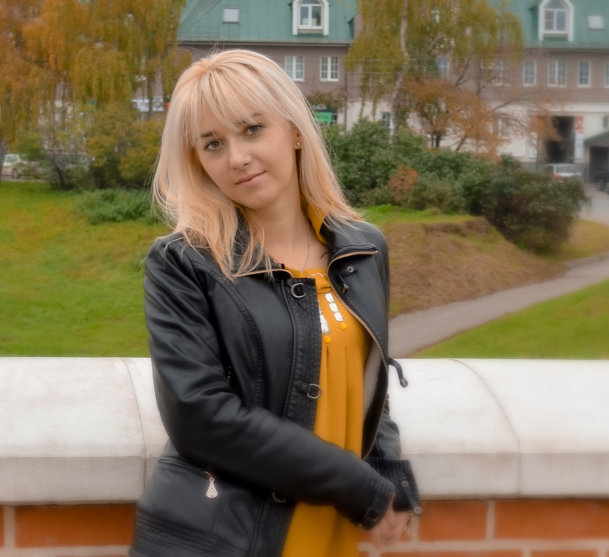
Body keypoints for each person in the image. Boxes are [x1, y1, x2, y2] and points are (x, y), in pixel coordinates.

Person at [128, 49, 421, 557]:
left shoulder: (362, 248)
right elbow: (200, 417)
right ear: (198, 160)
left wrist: (389, 469)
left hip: (329, 534)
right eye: (213, 144)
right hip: (222, 541)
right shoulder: (186, 262)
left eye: (251, 129)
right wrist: (360, 487)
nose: (236, 157)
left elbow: (365, 369)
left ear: (294, 129)